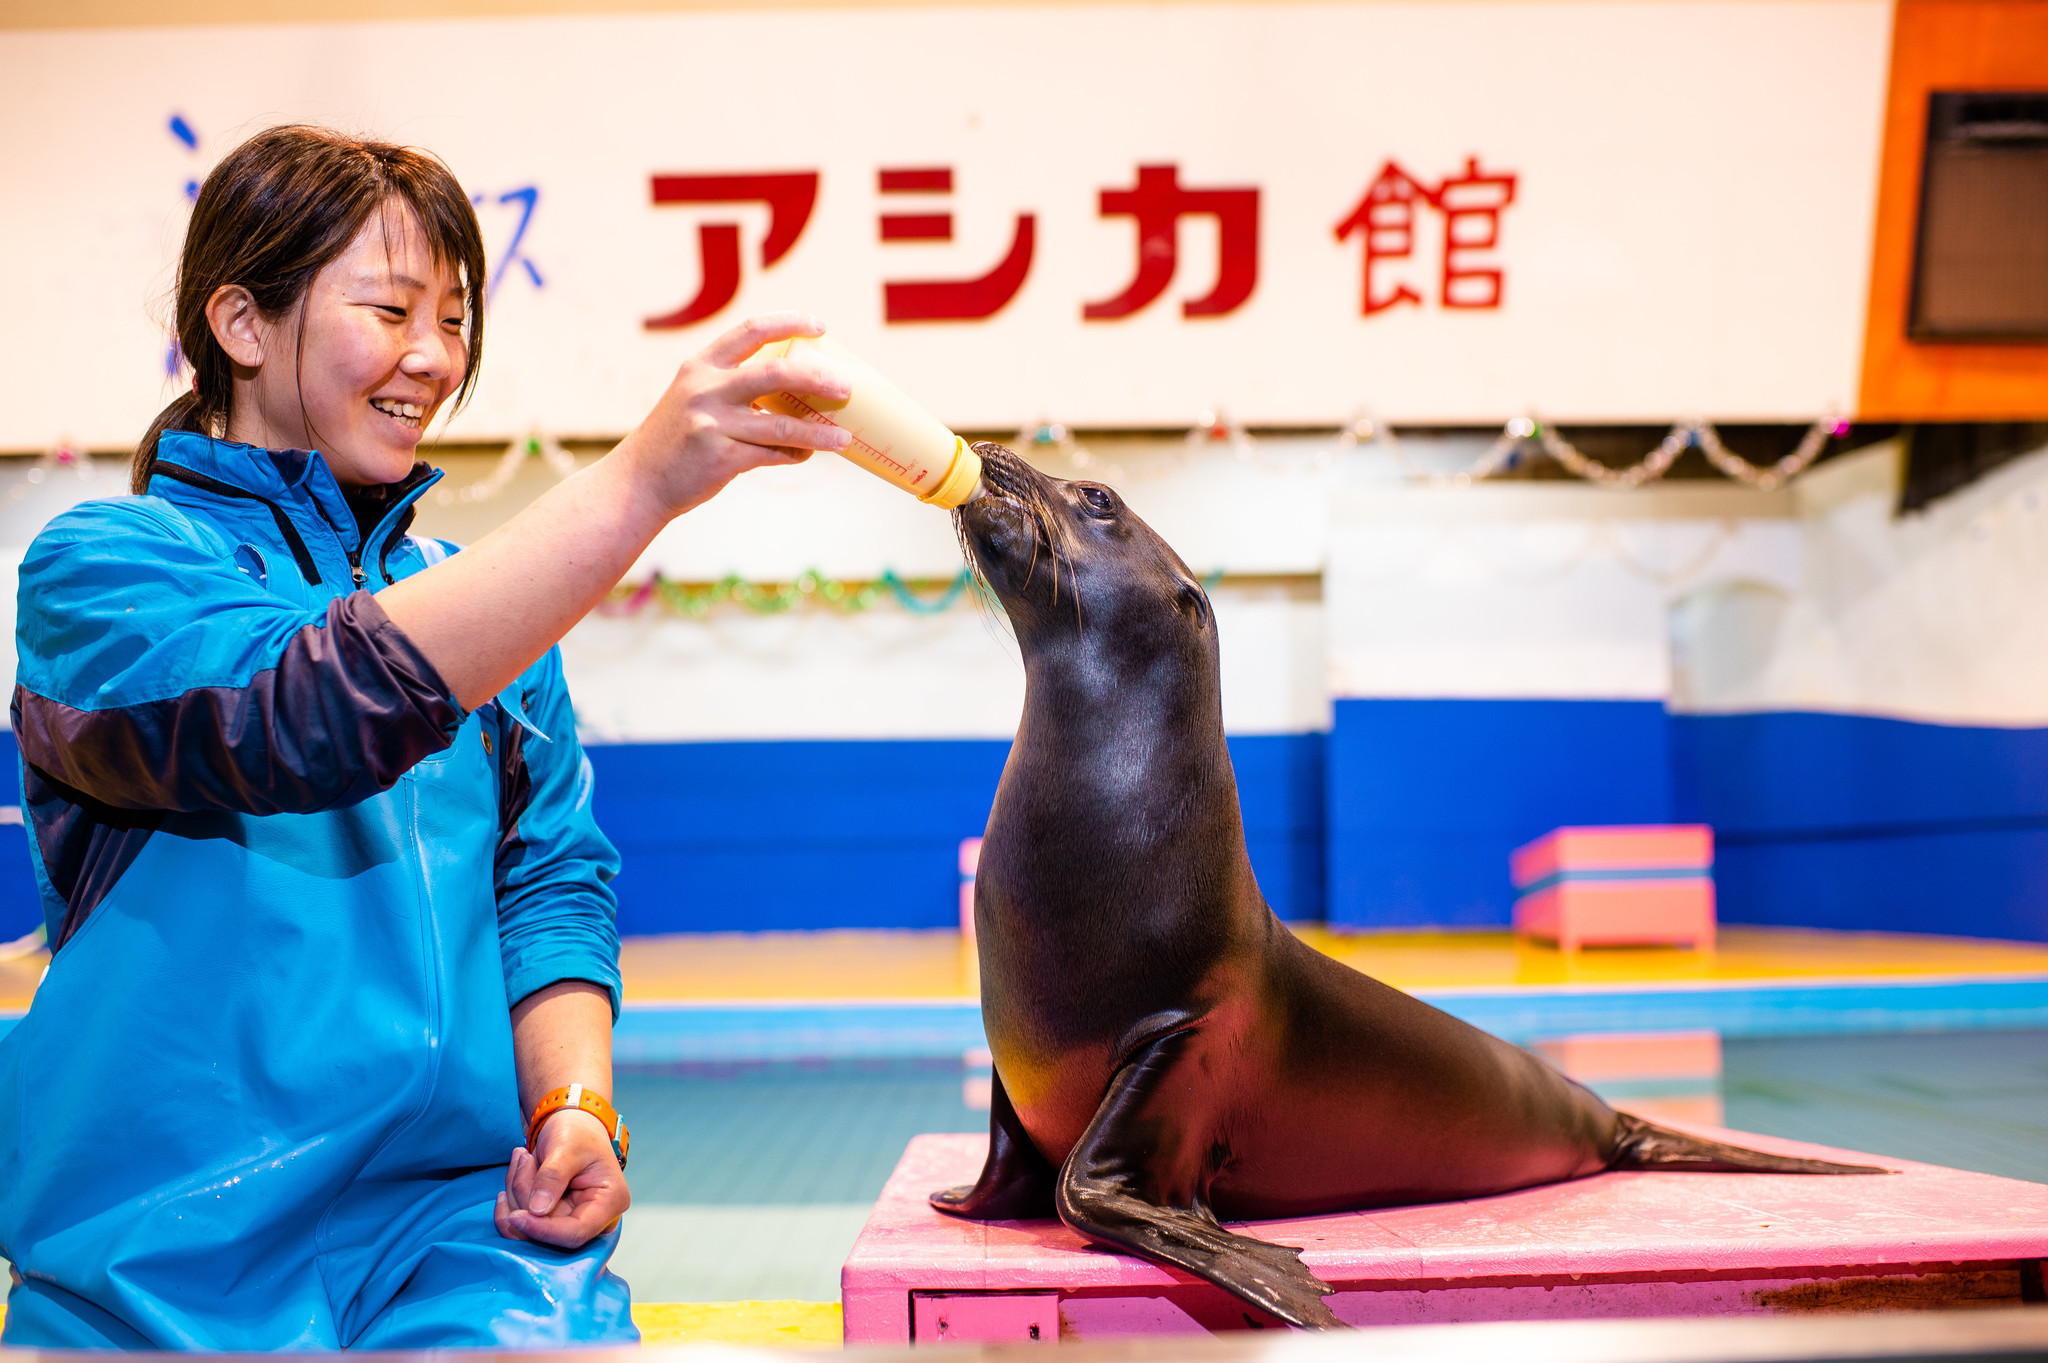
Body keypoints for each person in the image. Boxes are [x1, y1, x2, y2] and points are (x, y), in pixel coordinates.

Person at [0, 124, 853, 1349]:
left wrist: (573, 1103)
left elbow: (549, 879)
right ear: (241, 326)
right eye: (392, 311)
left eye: (453, 319)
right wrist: (639, 485)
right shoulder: (104, 571)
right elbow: (303, 710)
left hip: (457, 1244)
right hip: (158, 1265)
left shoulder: (481, 610)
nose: (434, 359)